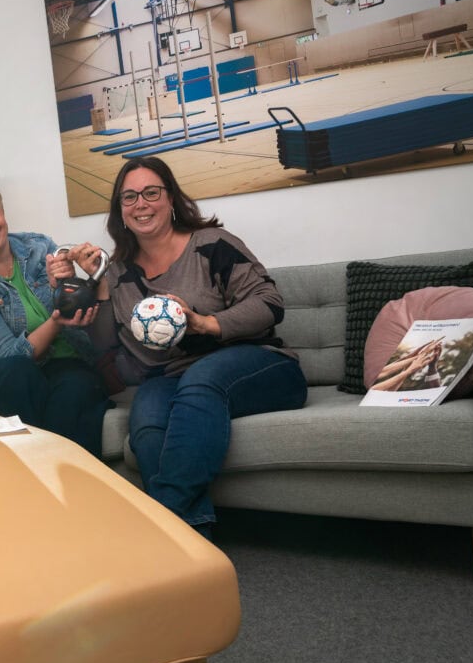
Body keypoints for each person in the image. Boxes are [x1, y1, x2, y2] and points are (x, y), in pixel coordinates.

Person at [79, 157, 307, 539]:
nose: (141, 204)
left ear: (171, 199)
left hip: (261, 365)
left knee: (203, 377)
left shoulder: (212, 245)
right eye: (129, 197)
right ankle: (192, 536)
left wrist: (205, 323)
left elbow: (271, 303)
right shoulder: (117, 271)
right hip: (171, 377)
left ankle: (159, 528)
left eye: (151, 193)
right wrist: (99, 285)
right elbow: (103, 342)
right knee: (148, 416)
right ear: (120, 210)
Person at [0, 177, 111, 456]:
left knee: (78, 386)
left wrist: (64, 287)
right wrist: (57, 319)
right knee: (19, 372)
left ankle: (74, 485)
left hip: (58, 366)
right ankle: (22, 478)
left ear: (3, 214)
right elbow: (11, 354)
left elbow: (71, 301)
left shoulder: (39, 247)